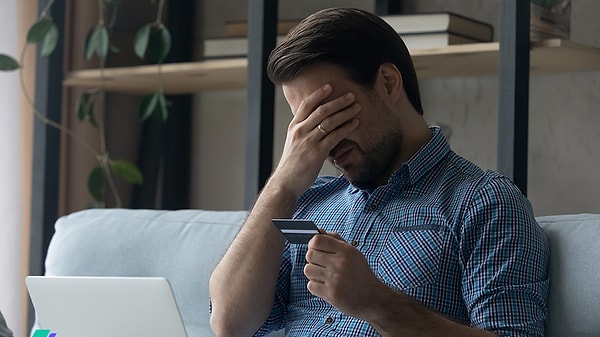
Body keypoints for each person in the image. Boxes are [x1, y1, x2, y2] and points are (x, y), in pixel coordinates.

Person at [209, 7, 549, 337]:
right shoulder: (306, 203)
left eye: (329, 116)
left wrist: (374, 301)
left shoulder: (484, 202)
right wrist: (282, 183)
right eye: (306, 126)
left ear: (387, 83)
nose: (322, 142)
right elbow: (229, 325)